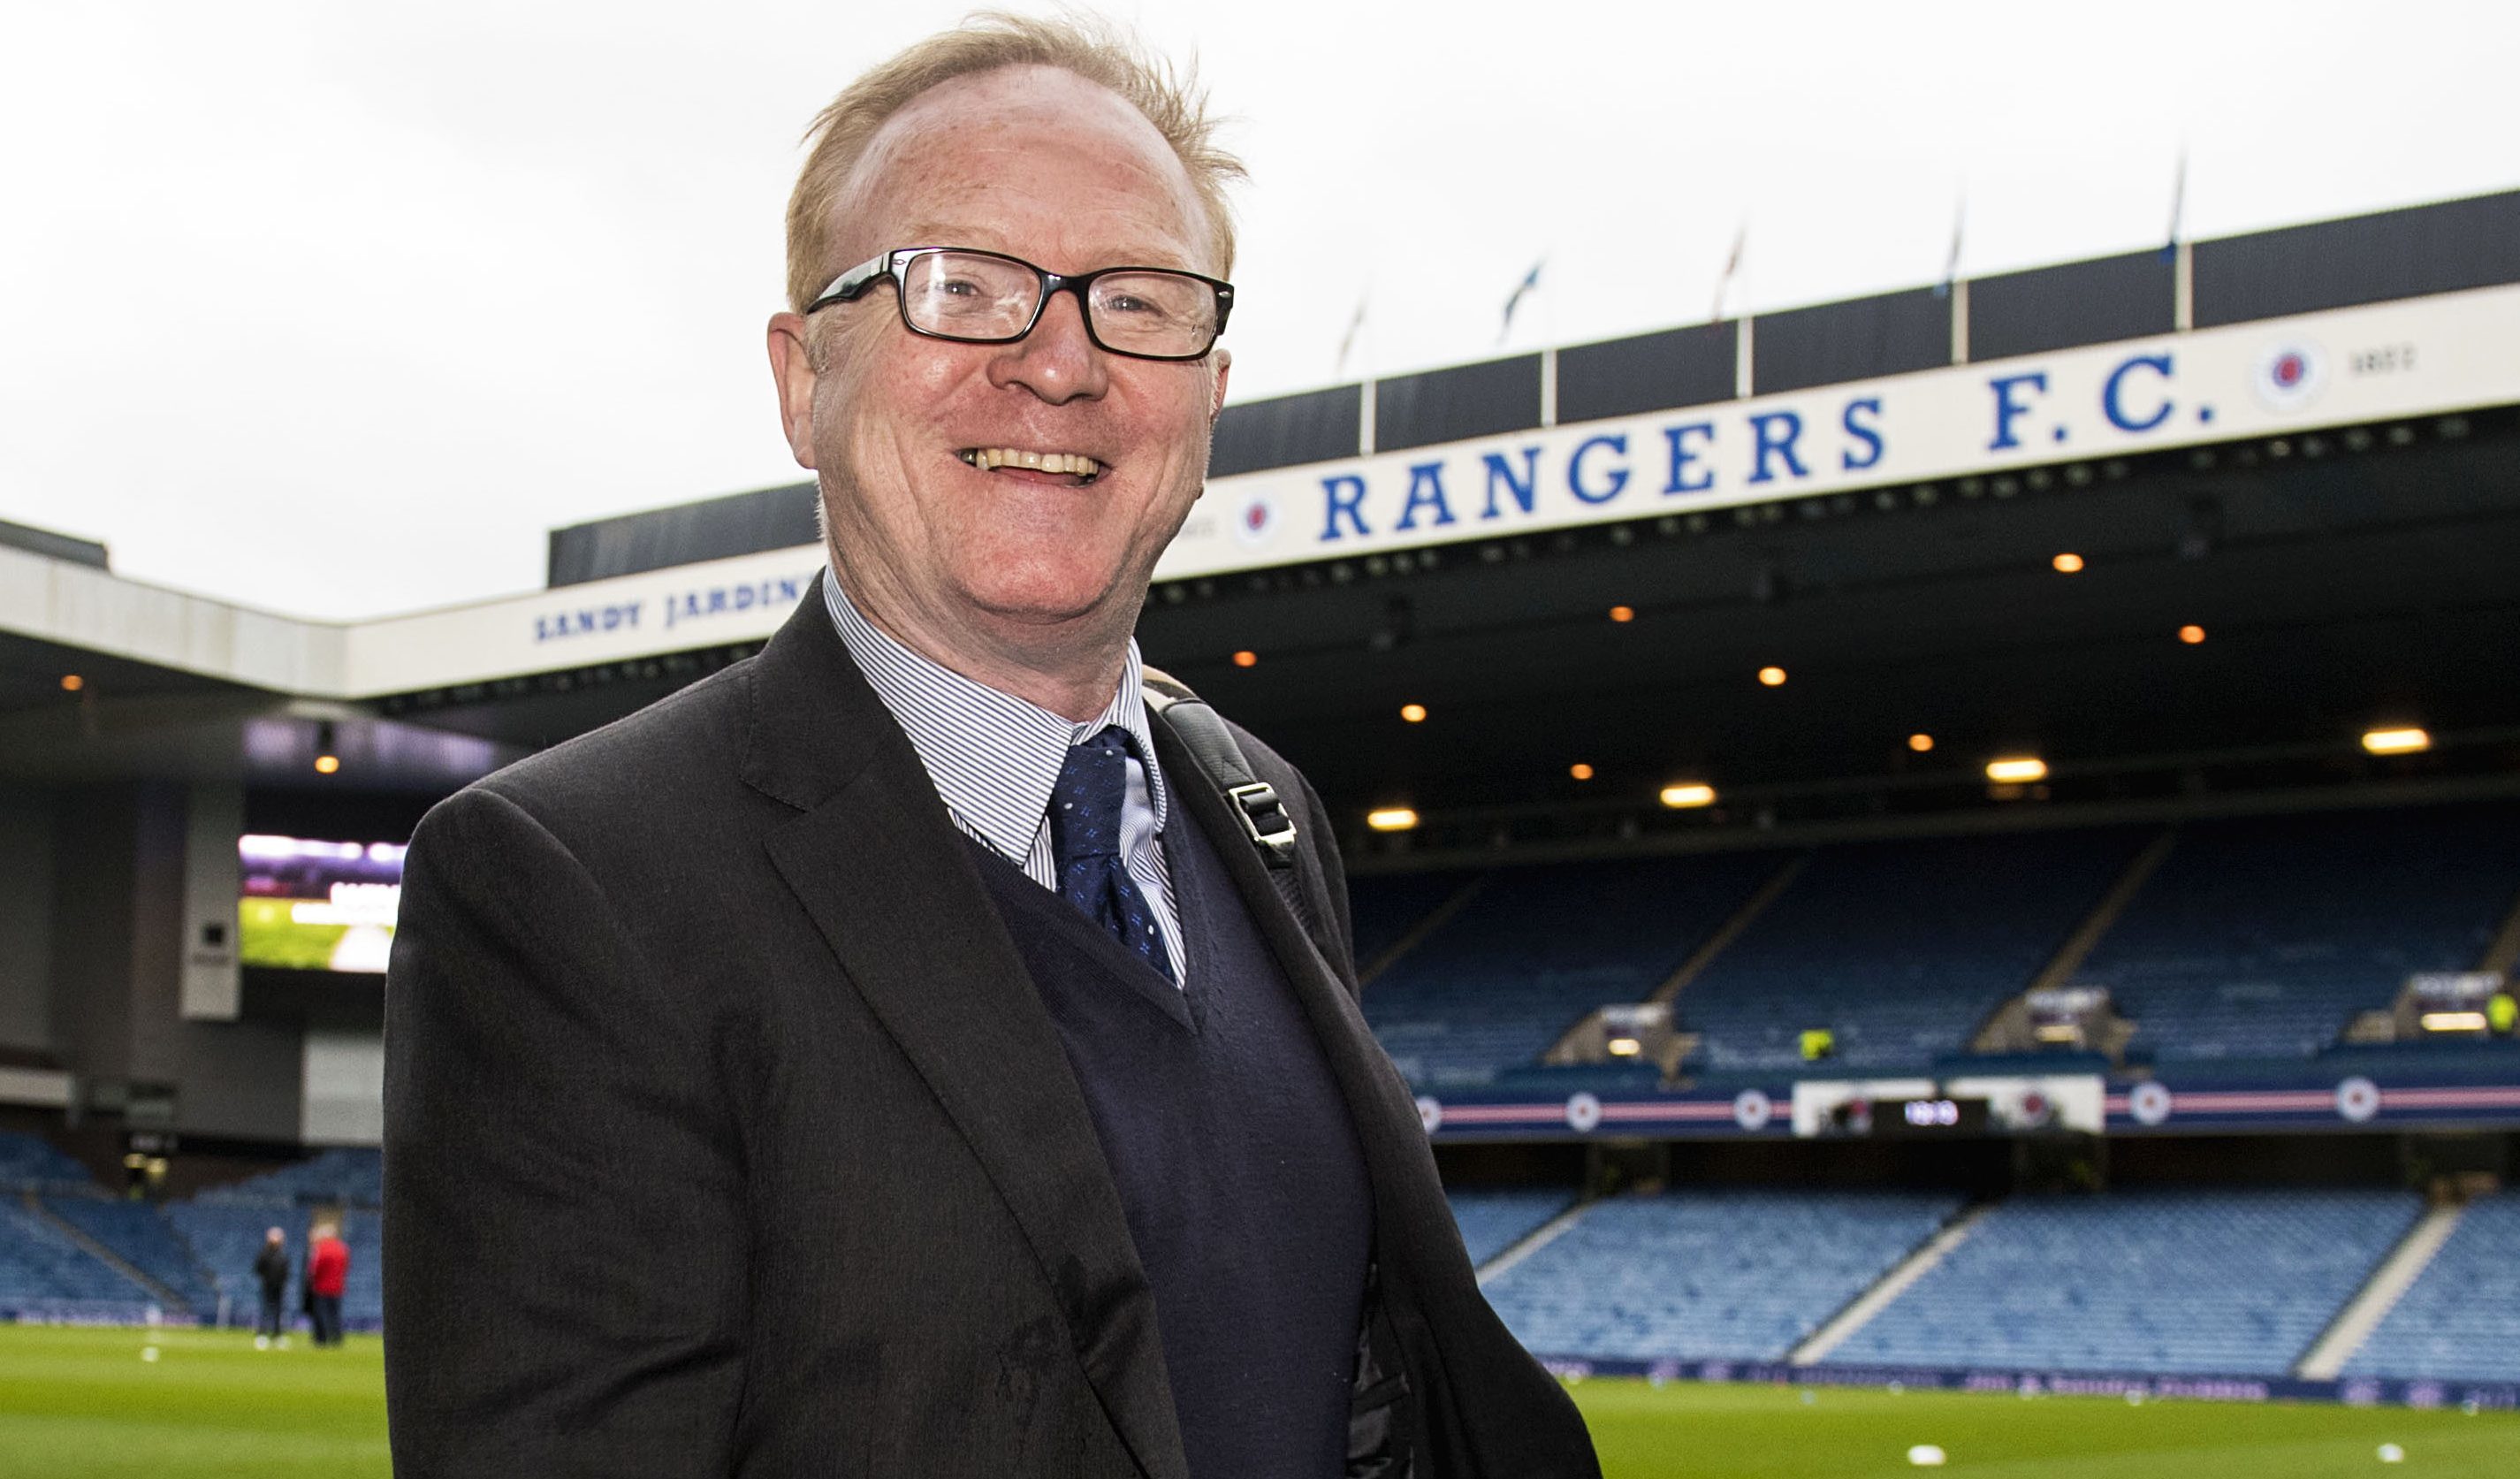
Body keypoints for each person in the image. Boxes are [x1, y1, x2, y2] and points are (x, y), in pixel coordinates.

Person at [383, 13, 1599, 1478]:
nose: (1058, 362)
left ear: (1209, 392)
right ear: (801, 381)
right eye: (962, 287)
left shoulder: (1262, 810)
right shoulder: (571, 879)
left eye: (1140, 301)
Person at [305, 1220, 348, 1347]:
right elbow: (346, 1266)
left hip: (321, 1287)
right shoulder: (342, 1248)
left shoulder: (320, 1249)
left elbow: (314, 1268)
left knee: (321, 1313)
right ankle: (336, 1338)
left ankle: (322, 1338)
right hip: (337, 1287)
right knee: (335, 1314)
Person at [252, 1226, 289, 1349]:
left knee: (278, 1312)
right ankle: (262, 1334)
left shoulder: (282, 1254)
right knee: (266, 1311)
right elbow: (258, 1269)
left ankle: (277, 1335)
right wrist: (267, 1278)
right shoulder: (264, 1254)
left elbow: (286, 1271)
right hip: (268, 1286)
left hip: (280, 1287)